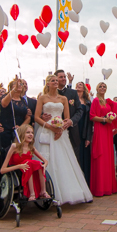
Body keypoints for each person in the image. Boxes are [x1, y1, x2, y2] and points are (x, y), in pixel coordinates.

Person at [33, 75, 92, 204]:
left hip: (60, 132)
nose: (55, 82)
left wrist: (60, 128)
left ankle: (66, 192)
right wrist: (49, 126)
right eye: (52, 80)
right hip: (46, 130)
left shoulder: (64, 98)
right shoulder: (42, 98)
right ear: (47, 83)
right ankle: (44, 191)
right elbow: (37, 117)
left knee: (63, 160)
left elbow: (66, 117)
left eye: (56, 80)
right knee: (46, 159)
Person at [1, 125, 49, 201]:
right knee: (28, 163)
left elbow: (45, 161)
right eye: (28, 132)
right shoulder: (14, 146)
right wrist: (19, 166)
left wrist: (44, 165)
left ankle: (43, 191)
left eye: (32, 133)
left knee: (39, 164)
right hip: (17, 170)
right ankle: (31, 193)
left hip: (29, 169)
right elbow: (2, 170)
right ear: (22, 134)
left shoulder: (31, 148)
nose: (31, 134)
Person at [89, 82, 117, 196]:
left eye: (104, 86)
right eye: (100, 86)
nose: (102, 88)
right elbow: (92, 116)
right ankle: (100, 188)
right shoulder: (96, 101)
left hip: (108, 131)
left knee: (108, 156)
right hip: (100, 130)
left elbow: (116, 109)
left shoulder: (108, 102)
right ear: (97, 89)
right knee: (100, 156)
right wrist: (105, 119)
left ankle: (108, 186)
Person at [55, 70, 83, 160]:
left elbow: (79, 110)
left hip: (72, 131)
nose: (64, 79)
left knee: (73, 159)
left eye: (64, 77)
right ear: (55, 79)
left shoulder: (73, 93)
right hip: (55, 130)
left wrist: (71, 121)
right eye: (61, 77)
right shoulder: (50, 94)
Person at [75, 81, 93, 186]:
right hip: (75, 129)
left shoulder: (88, 102)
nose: (78, 85)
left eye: (80, 84)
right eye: (77, 84)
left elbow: (90, 121)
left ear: (84, 88)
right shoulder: (72, 100)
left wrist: (88, 137)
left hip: (84, 130)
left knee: (85, 157)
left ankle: (85, 183)